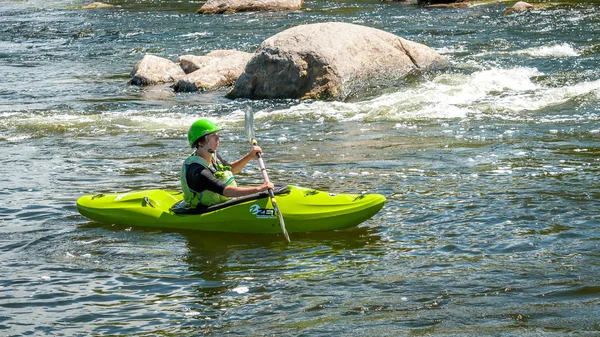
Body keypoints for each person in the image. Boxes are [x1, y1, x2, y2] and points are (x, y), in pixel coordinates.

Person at [181, 119, 274, 208]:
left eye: (217, 134)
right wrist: (259, 189)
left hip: (220, 204)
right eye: (213, 135)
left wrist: (249, 156)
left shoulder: (213, 157)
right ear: (201, 142)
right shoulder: (198, 171)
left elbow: (232, 169)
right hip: (203, 211)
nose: (218, 138)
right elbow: (226, 191)